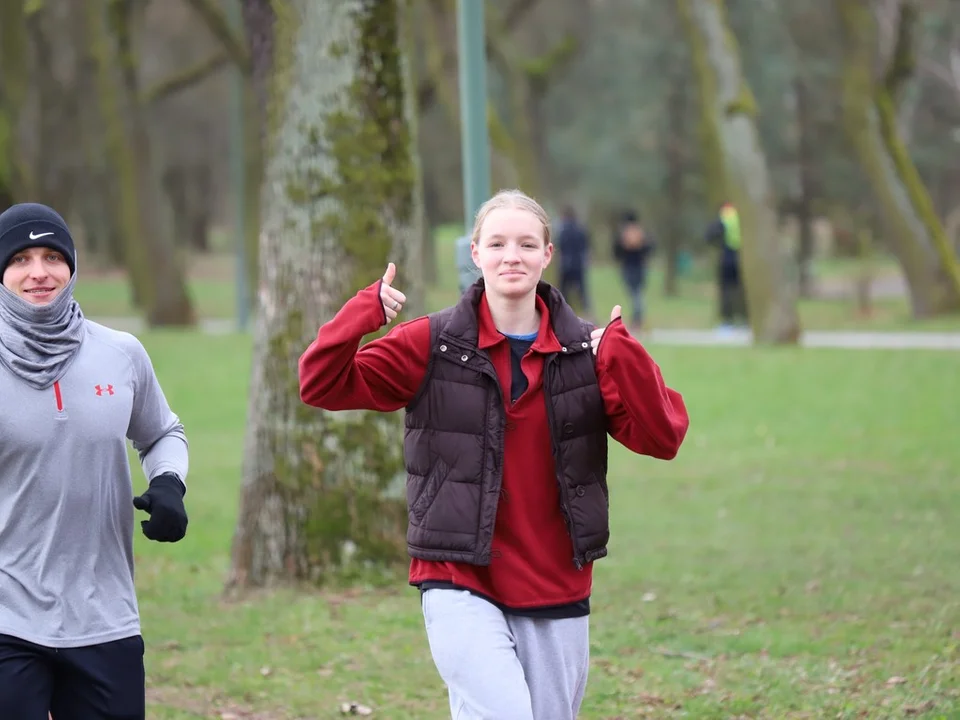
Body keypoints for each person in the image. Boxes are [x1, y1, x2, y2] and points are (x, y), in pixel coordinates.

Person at [298, 189, 689, 720]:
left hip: (555, 581)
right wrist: (361, 314)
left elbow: (662, 437)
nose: (513, 256)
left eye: (527, 244)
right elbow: (321, 383)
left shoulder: (586, 353)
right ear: (475, 253)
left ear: (547, 254)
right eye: (498, 243)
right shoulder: (430, 343)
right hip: (458, 576)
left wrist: (623, 354)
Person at [0, 203, 189, 720]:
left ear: (72, 266)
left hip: (105, 616)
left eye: (51, 256)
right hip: (8, 617)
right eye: (20, 259)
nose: (38, 272)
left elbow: (162, 433)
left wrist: (170, 483)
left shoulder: (120, 353)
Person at [704, 202, 747, 330]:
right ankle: (744, 321)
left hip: (727, 258)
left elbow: (709, 236)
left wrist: (718, 245)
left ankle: (727, 322)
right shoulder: (743, 217)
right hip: (742, 258)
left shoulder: (724, 217)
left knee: (726, 291)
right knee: (741, 291)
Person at [611, 210, 655, 332]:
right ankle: (638, 319)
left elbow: (617, 253)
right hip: (636, 267)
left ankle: (638, 320)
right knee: (636, 294)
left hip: (632, 267)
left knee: (636, 295)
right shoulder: (639, 233)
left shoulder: (633, 234)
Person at [554, 204, 591, 317]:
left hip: (566, 263)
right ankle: (587, 311)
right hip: (578, 263)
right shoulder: (581, 229)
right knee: (582, 291)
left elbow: (559, 245)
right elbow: (586, 245)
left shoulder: (562, 230)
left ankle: (563, 312)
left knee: (563, 291)